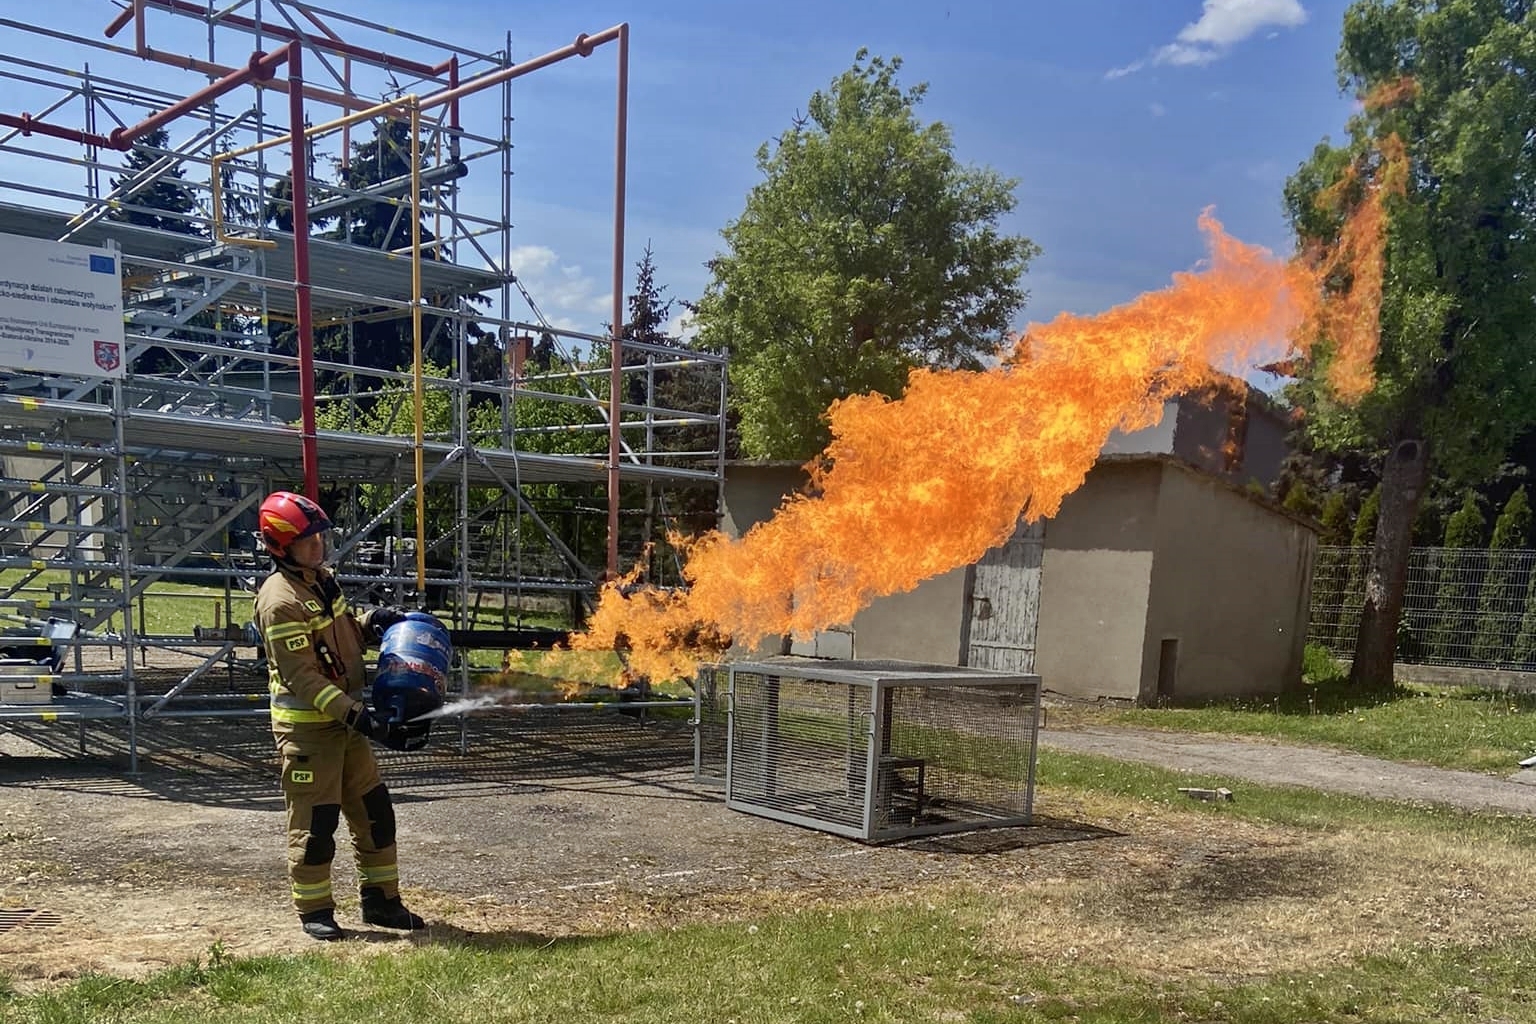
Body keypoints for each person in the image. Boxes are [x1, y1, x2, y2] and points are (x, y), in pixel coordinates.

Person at [251, 489, 429, 941]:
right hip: (310, 734)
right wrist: (363, 719)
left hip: (346, 725)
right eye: (308, 541)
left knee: (375, 813)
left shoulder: (320, 580)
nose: (319, 546)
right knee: (315, 824)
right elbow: (304, 679)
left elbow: (341, 634)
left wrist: (372, 622)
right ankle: (314, 908)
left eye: (321, 538)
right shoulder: (280, 601)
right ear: (281, 546)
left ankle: (382, 901)